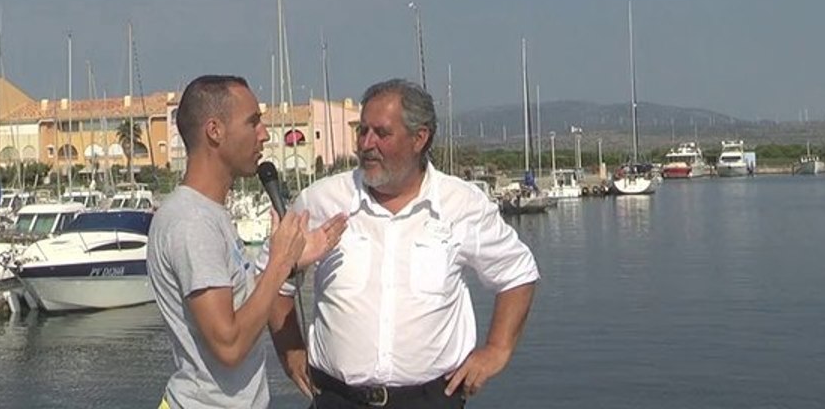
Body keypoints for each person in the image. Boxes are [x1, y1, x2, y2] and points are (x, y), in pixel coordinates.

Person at [265, 78, 539, 408]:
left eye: (381, 133)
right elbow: (274, 278)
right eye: (362, 131)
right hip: (336, 399)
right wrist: (290, 349)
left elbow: (517, 274)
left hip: (430, 400)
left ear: (419, 138)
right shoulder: (322, 200)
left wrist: (497, 350)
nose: (366, 144)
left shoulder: (462, 204)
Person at [148, 75, 347, 409]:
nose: (264, 134)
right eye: (253, 122)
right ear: (215, 131)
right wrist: (280, 262)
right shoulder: (191, 223)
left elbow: (239, 304)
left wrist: (291, 264)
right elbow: (229, 346)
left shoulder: (210, 214)